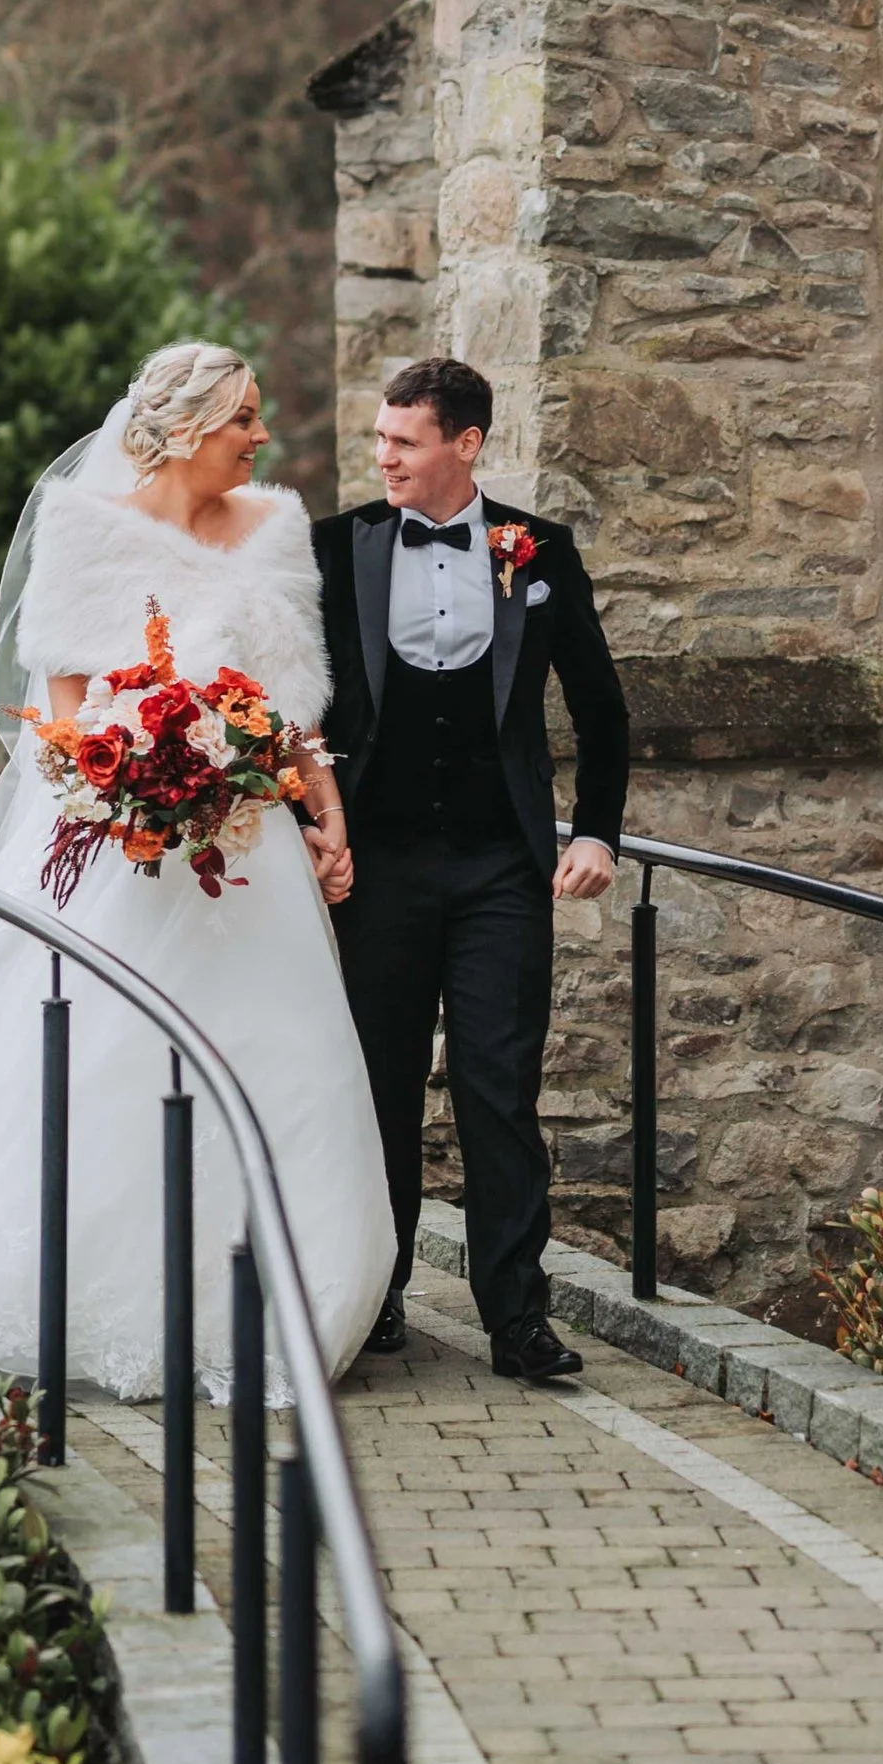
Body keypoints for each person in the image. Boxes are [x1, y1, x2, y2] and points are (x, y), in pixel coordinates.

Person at [0, 341, 394, 1398]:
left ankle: (288, 1300)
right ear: (180, 432)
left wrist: (327, 811)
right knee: (89, 1060)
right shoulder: (85, 536)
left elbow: (296, 703)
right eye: (243, 419)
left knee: (282, 1061)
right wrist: (144, 775)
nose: (262, 436)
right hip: (115, 850)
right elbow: (58, 728)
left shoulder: (273, 531)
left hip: (251, 861)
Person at [312, 355, 629, 1384]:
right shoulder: (338, 547)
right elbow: (289, 704)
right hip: (378, 870)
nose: (383, 456)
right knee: (380, 1089)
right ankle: (379, 1291)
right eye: (380, 439)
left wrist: (595, 833)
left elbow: (600, 708)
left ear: (465, 444)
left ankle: (516, 1319)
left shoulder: (538, 550)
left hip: (501, 869)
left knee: (500, 1090)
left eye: (403, 440)